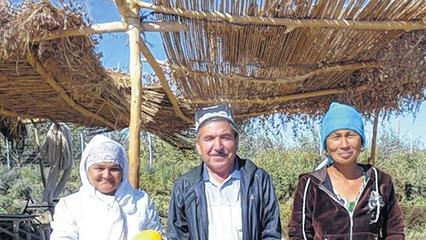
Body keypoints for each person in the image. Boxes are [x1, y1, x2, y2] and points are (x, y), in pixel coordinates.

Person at [288, 102, 405, 239]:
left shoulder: (380, 182)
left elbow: (394, 230)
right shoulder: (310, 184)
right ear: (326, 144)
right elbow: (298, 234)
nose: (344, 145)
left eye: (350, 135)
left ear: (361, 141)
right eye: (336, 137)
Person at [167, 104, 282, 239]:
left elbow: (271, 233)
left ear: (236, 141)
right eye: (209, 138)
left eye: (225, 137)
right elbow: (177, 236)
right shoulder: (185, 186)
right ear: (198, 146)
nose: (218, 146)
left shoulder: (258, 180)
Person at [50, 135, 163, 240]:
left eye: (114, 169)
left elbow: (156, 234)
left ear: (123, 171)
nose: (106, 175)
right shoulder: (70, 206)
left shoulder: (141, 201)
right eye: (99, 168)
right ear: (86, 169)